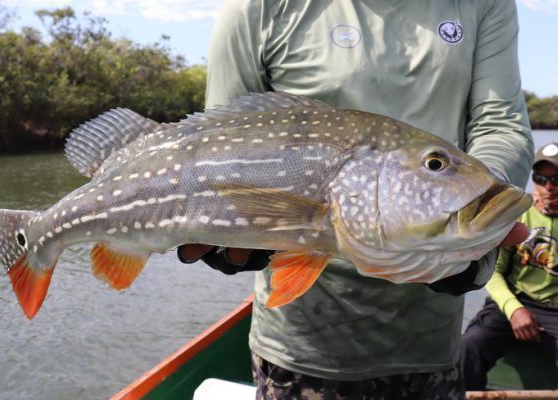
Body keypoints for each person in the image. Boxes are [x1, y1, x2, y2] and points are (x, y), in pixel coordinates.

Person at [179, 1, 534, 398]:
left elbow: (500, 122)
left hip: (431, 344)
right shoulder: (259, 7)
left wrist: (477, 227)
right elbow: (217, 142)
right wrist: (230, 236)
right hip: (297, 348)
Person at [461, 142, 558, 391]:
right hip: (514, 300)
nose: (549, 188)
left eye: (556, 179)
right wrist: (515, 310)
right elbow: (493, 274)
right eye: (540, 178)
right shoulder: (517, 216)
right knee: (468, 348)